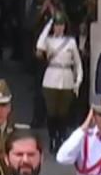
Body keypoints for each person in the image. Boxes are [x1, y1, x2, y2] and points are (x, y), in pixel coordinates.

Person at [36, 12, 83, 154]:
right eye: (57, 25)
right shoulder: (48, 40)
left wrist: (78, 81)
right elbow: (39, 45)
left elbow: (77, 64)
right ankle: (53, 138)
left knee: (63, 113)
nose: (59, 28)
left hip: (67, 78)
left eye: (61, 25)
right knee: (51, 112)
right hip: (51, 78)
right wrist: (49, 23)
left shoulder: (71, 42)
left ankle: (62, 137)